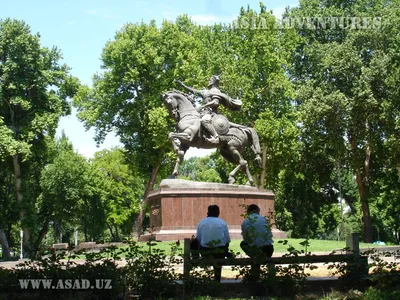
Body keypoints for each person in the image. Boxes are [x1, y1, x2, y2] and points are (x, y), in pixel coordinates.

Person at [178, 75, 242, 144]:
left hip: (212, 113)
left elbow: (215, 102)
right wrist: (183, 86)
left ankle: (216, 136)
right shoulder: (205, 92)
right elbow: (195, 91)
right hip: (204, 113)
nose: (209, 81)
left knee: (204, 120)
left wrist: (204, 106)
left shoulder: (216, 91)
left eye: (210, 80)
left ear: (213, 82)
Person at [194, 204, 231, 282]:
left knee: (193, 241)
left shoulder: (202, 222)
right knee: (223, 248)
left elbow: (198, 240)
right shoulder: (222, 223)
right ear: (218, 212)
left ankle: (195, 258)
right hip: (219, 253)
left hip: (205, 252)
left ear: (208, 212)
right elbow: (227, 240)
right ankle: (217, 279)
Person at [240, 204, 274, 280]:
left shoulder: (246, 221)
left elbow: (246, 239)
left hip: (255, 250)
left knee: (243, 244)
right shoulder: (263, 219)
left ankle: (255, 277)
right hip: (268, 249)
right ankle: (269, 279)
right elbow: (269, 234)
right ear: (256, 210)